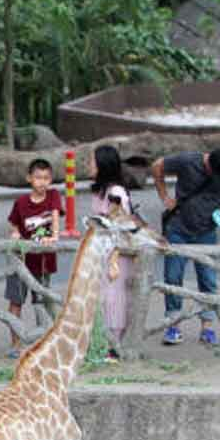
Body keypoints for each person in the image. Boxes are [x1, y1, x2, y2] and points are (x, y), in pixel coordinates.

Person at [150, 146, 220, 345]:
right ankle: (173, 324)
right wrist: (165, 196)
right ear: (209, 165)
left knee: (208, 279)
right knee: (173, 277)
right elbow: (157, 166)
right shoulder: (188, 160)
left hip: (207, 230)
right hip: (179, 229)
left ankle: (207, 327)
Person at [3, 157, 65, 358]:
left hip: (43, 261)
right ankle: (16, 344)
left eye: (46, 178)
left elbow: (55, 215)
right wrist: (14, 233)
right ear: (29, 178)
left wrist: (54, 236)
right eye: (38, 177)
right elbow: (13, 223)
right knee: (16, 301)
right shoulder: (21, 202)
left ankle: (45, 343)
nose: (42, 182)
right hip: (20, 261)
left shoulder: (53, 196)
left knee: (43, 302)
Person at [91, 146, 134, 360]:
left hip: (115, 253)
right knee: (103, 295)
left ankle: (114, 344)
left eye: (93, 161)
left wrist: (115, 259)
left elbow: (121, 225)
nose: (90, 165)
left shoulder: (115, 193)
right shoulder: (102, 191)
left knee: (114, 296)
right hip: (102, 250)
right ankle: (105, 341)